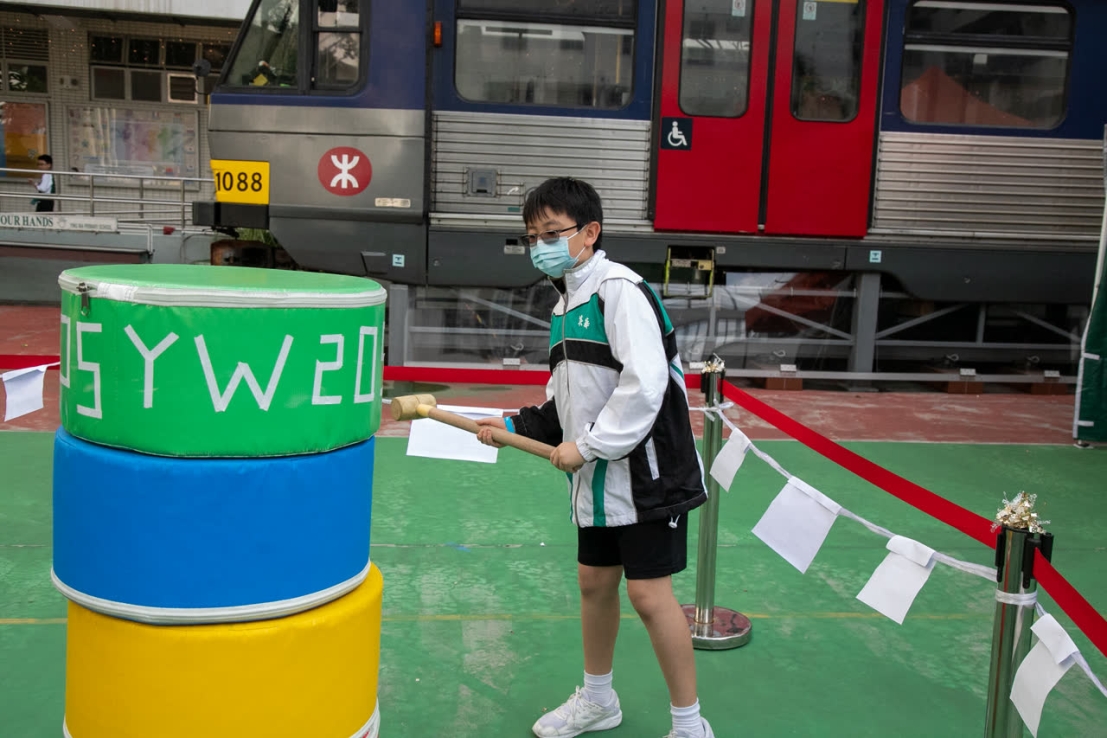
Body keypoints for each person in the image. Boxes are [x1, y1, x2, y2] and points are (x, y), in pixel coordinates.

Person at [475, 177, 714, 738]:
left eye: (551, 233)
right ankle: (599, 700)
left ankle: (690, 725)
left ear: (589, 232)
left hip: (650, 476)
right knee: (594, 583)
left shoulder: (620, 291)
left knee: (650, 596)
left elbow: (645, 386)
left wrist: (586, 447)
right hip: (598, 482)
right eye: (532, 237)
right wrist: (513, 427)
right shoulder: (564, 304)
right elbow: (568, 400)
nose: (540, 246)